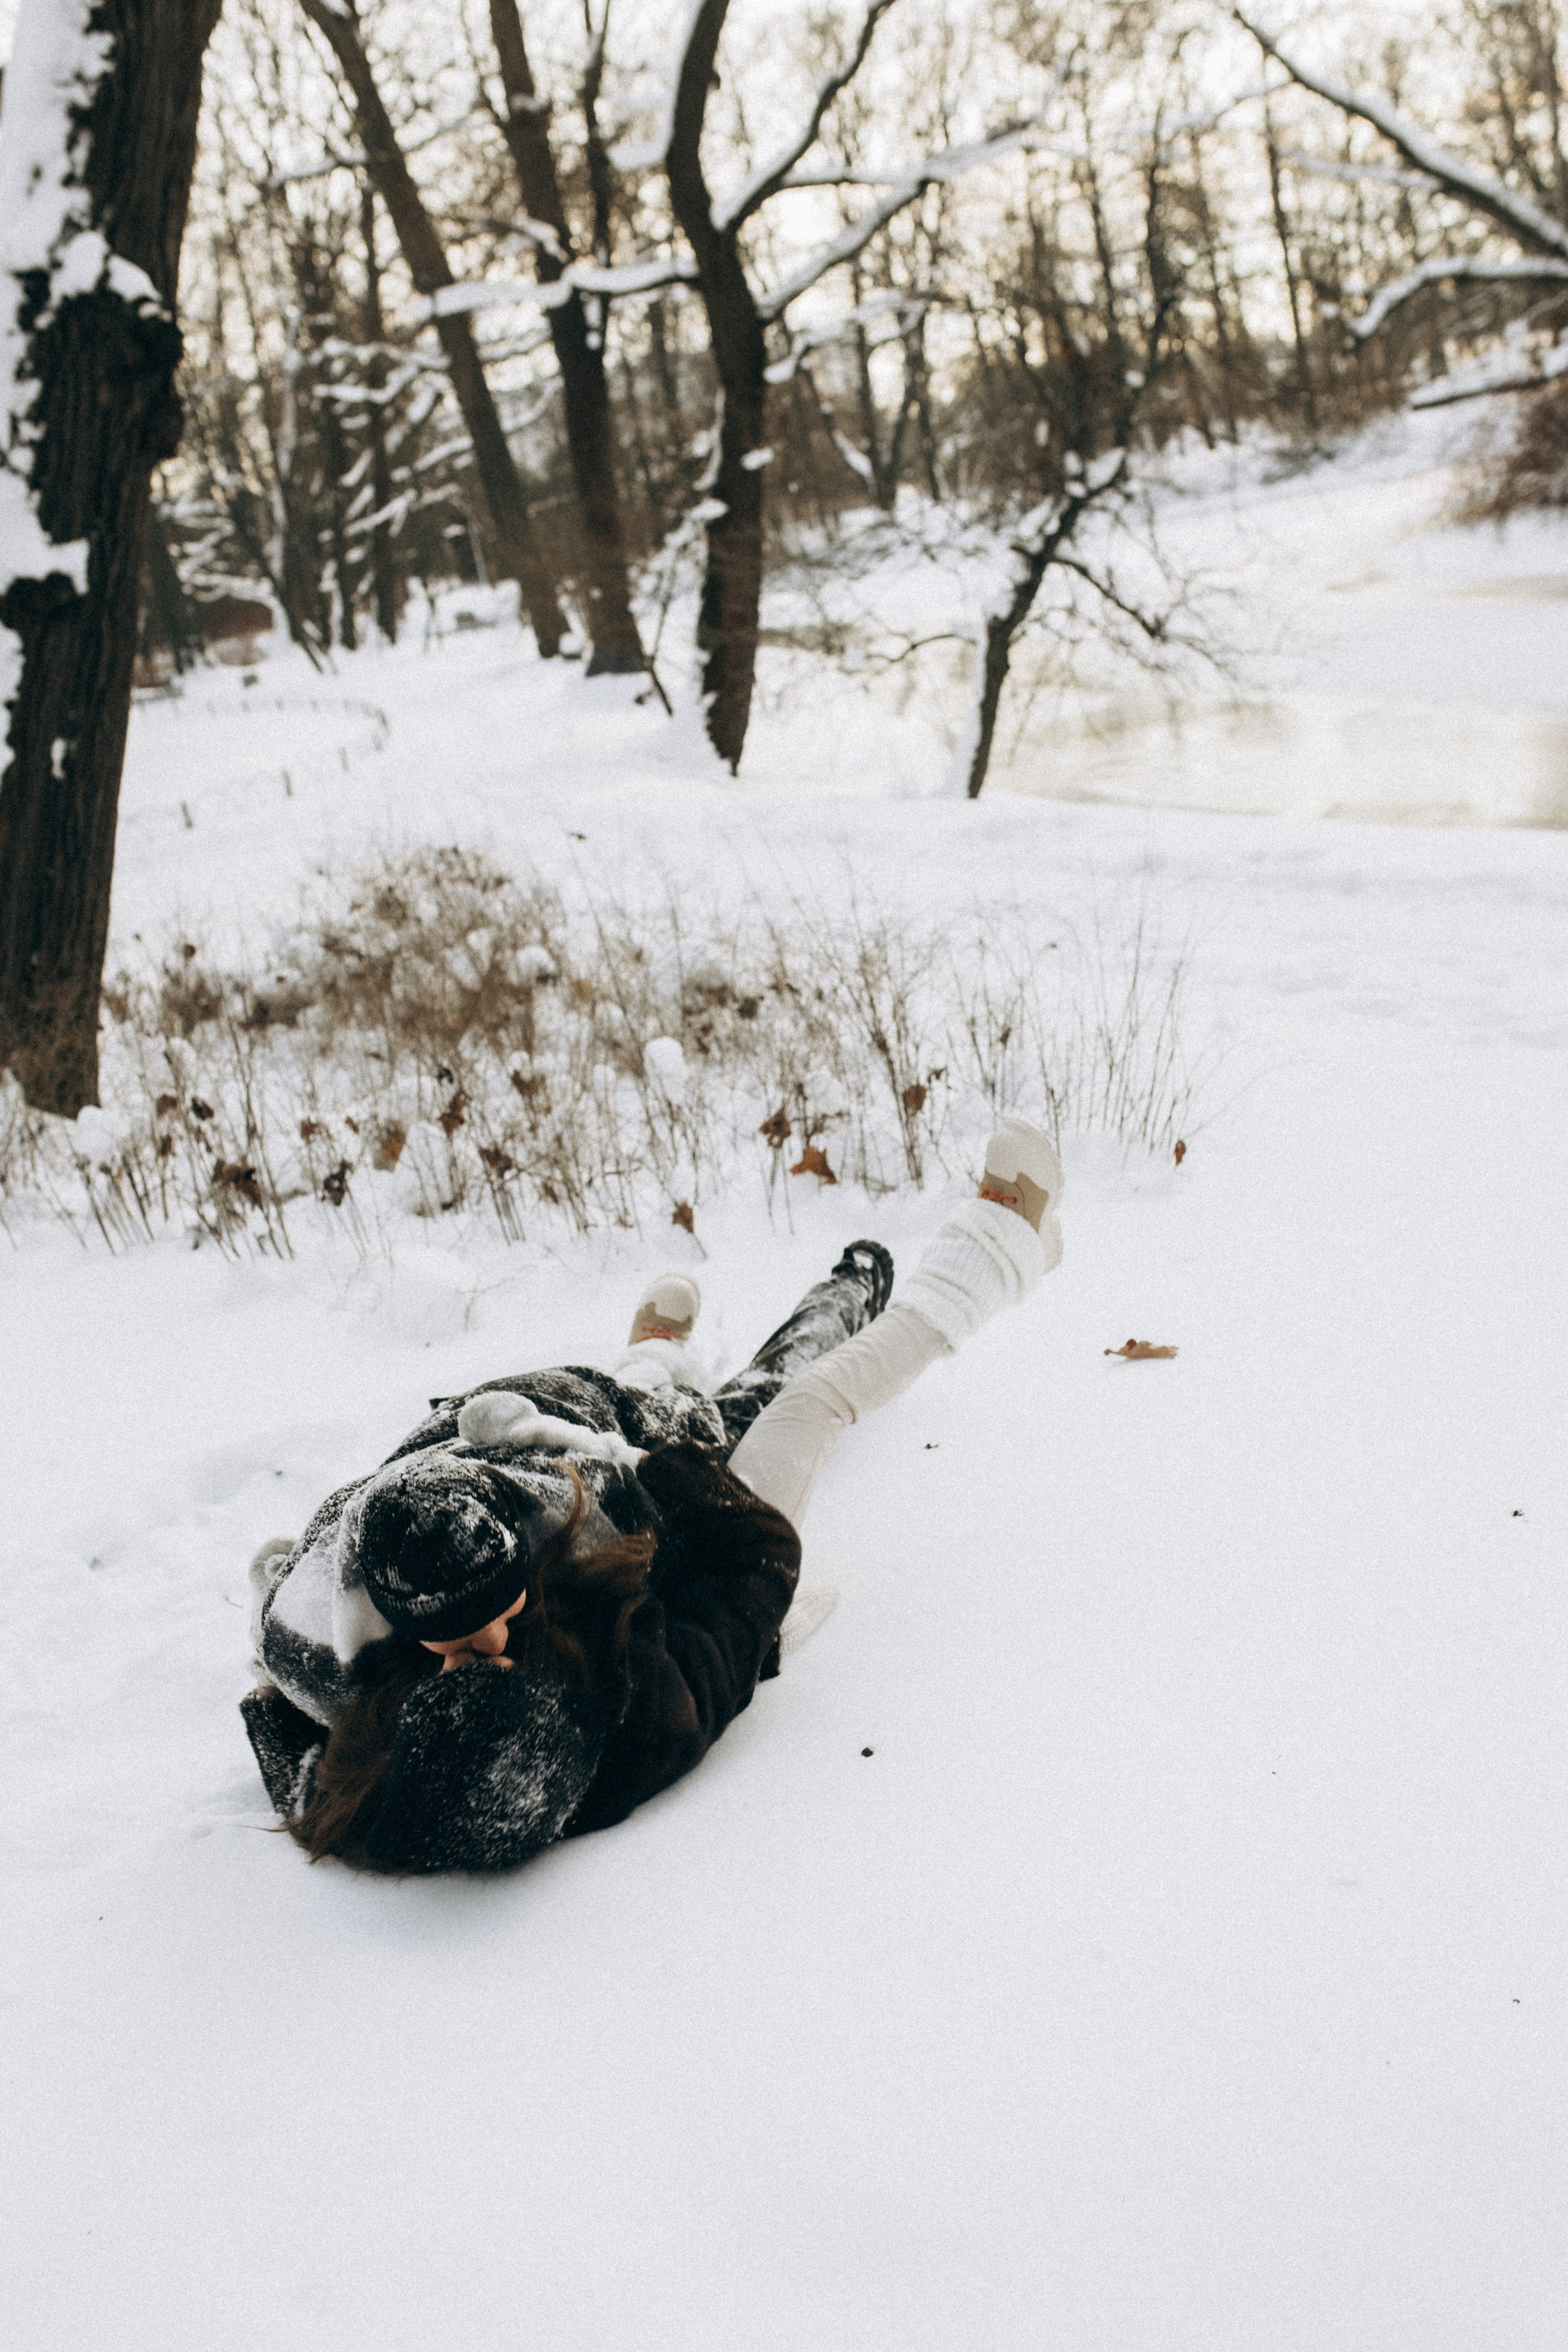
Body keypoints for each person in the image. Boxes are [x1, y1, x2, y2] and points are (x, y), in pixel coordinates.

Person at [241, 1116, 1063, 1874]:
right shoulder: (638, 1717)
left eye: (449, 1653)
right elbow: (755, 1565)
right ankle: (976, 1253)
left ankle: (653, 1356)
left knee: (647, 1395)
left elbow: (284, 1693)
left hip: (535, 1417)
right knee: (793, 1406)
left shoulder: (354, 1705)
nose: (473, 1645)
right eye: (484, 1658)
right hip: (663, 1507)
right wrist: (673, 1472)